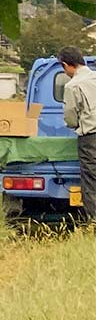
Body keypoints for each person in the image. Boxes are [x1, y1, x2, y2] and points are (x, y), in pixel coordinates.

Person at [59, 45, 96, 221]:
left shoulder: (73, 85)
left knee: (91, 180)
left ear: (66, 65)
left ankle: (94, 222)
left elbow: (70, 118)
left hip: (90, 139)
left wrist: (75, 125)